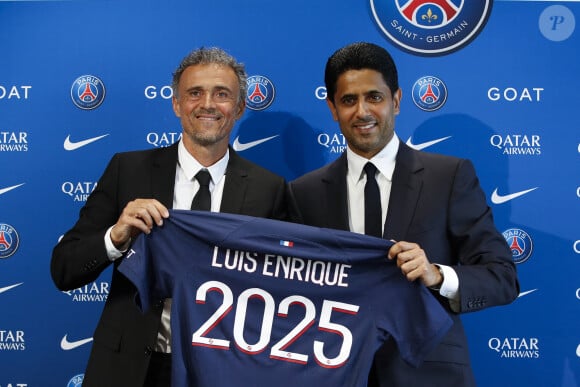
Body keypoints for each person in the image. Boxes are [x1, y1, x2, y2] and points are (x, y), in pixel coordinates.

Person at [287, 42, 520, 387]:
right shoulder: (302, 192)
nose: (362, 111)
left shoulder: (449, 176)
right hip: (334, 374)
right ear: (333, 108)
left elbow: (503, 277)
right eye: (349, 100)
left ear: (396, 100)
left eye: (374, 97)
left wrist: (437, 275)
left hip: (428, 373)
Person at [51, 47, 286, 387]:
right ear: (176, 104)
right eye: (195, 93)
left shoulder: (270, 189)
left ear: (239, 108)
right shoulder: (127, 170)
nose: (207, 104)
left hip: (224, 371)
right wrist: (116, 237)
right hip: (131, 369)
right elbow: (64, 269)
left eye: (221, 94)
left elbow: (285, 285)